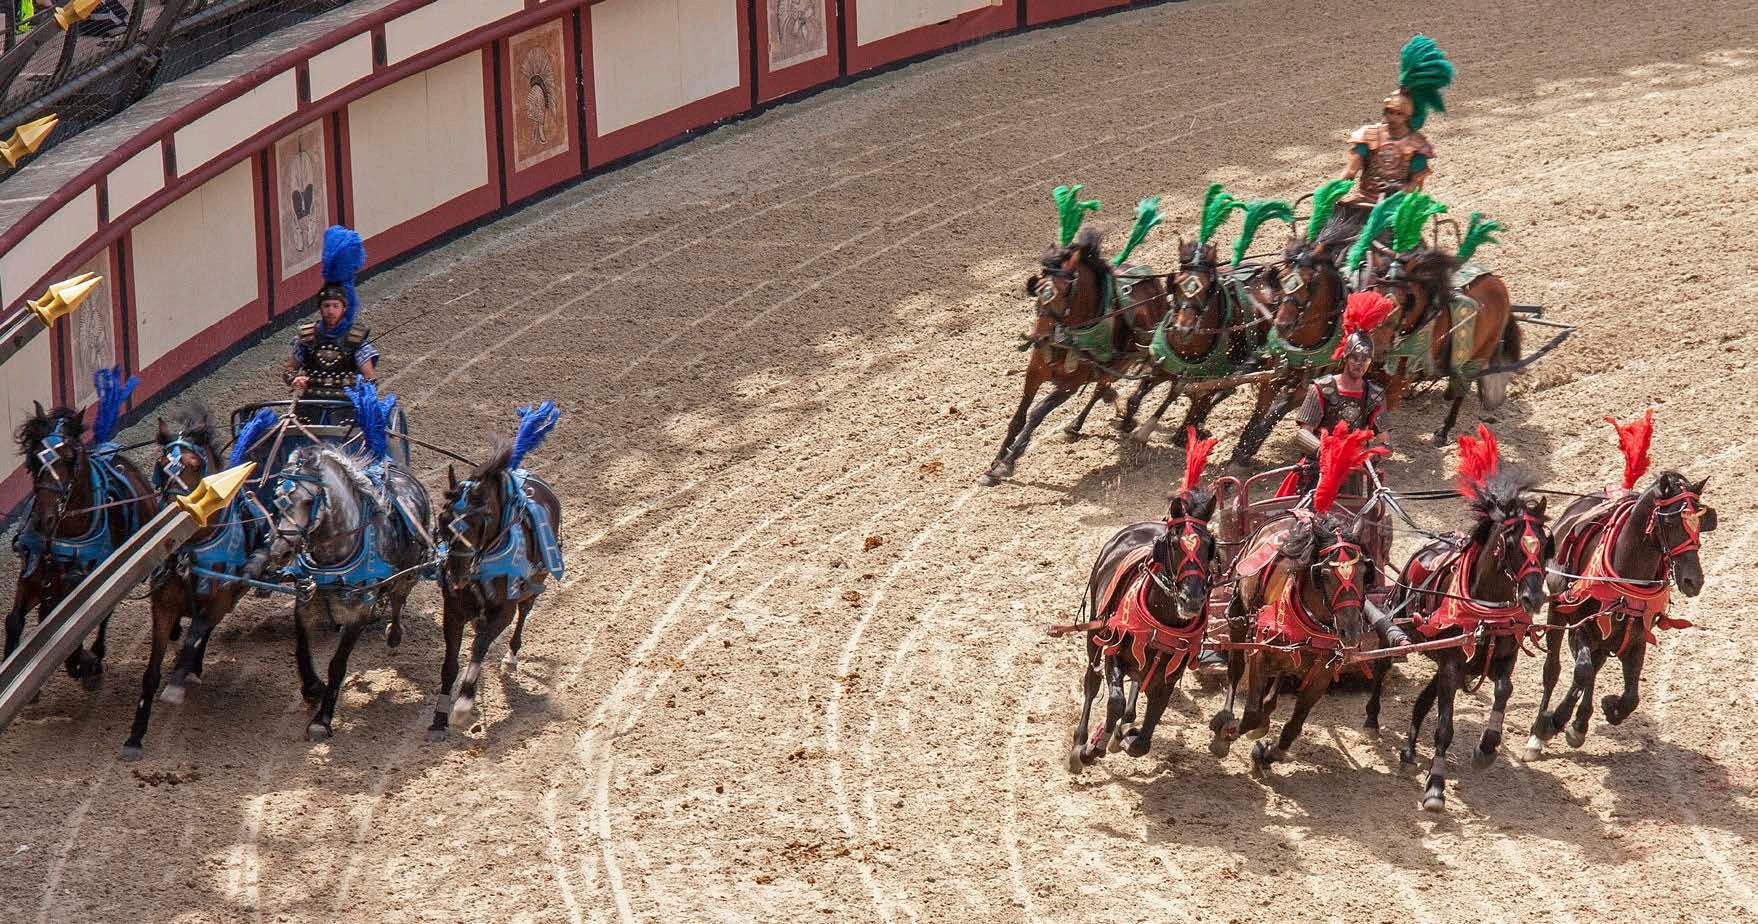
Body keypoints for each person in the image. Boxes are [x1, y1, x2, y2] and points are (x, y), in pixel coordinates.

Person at [1337, 36, 1455, 220]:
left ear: (1408, 116)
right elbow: (1350, 171)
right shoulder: (1368, 135)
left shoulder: (1417, 146)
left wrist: (1398, 190)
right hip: (1363, 201)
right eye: (1389, 112)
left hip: (1395, 210)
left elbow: (1415, 186)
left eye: (1398, 114)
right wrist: (1335, 191)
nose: (1392, 117)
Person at [285, 227, 375, 414]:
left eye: (335, 306)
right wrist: (295, 379)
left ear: (344, 308)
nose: (330, 311)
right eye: (326, 306)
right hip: (309, 405)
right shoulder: (306, 337)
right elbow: (289, 371)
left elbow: (370, 379)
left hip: (346, 408)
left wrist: (360, 393)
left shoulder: (355, 338)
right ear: (320, 308)